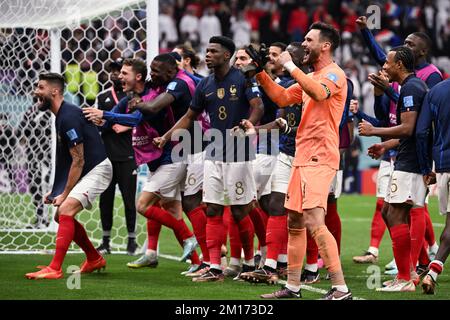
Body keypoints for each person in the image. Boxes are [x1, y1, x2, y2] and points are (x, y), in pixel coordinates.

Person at [244, 22, 352, 300]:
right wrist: (260, 72)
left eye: (308, 39)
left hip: (321, 155)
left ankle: (340, 288)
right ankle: (292, 287)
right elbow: (281, 96)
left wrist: (291, 66)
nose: (303, 43)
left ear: (325, 45)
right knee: (294, 219)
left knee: (315, 220)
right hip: (301, 155)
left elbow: (318, 93)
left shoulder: (335, 75)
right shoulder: (311, 77)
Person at [154, 36, 264, 282]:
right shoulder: (205, 84)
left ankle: (248, 262)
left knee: (238, 210)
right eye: (207, 50)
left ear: (227, 55)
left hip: (239, 152)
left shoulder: (244, 78)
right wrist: (167, 136)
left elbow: (258, 106)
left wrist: (250, 123)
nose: (208, 54)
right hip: (213, 153)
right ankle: (215, 267)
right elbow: (189, 116)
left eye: (213, 51)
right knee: (213, 208)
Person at [83, 57, 200, 268]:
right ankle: (197, 262)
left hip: (171, 156)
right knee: (172, 210)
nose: (119, 76)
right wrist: (99, 118)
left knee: (143, 205)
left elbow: (137, 119)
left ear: (137, 76)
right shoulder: (130, 95)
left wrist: (106, 115)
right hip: (156, 159)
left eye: (124, 73)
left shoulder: (152, 94)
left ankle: (192, 238)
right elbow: (117, 114)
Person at [25, 73, 113, 280]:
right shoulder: (62, 116)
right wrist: (58, 191)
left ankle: (55, 268)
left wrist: (64, 194)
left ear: (54, 91)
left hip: (97, 168)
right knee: (61, 216)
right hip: (87, 169)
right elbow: (71, 160)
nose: (35, 92)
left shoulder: (69, 116)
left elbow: (79, 160)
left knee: (65, 209)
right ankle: (94, 258)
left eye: (40, 87)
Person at [359, 46, 429, 292]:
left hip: (411, 162)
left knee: (396, 213)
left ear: (399, 64)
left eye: (388, 62)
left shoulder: (411, 88)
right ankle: (407, 272)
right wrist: (385, 144)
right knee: (389, 211)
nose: (384, 66)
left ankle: (406, 279)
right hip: (405, 158)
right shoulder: (410, 88)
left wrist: (374, 131)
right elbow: (412, 130)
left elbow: (409, 128)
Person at [95, 58, 138, 255]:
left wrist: (125, 125)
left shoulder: (134, 97)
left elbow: (142, 121)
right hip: (107, 156)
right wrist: (104, 123)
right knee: (106, 200)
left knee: (130, 200)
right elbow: (96, 120)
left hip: (128, 155)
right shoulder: (102, 96)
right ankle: (105, 241)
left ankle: (132, 240)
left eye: (119, 70)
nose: (115, 74)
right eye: (112, 70)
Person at [416, 78, 450, 294]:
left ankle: (432, 270)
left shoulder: (436, 92)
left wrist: (427, 166)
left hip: (445, 165)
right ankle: (432, 272)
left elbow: (421, 132)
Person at [17, 104, 52, 229]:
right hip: (32, 154)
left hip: (49, 155)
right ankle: (40, 217)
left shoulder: (52, 111)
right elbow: (20, 129)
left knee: (48, 185)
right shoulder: (30, 110)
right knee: (34, 186)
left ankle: (51, 219)